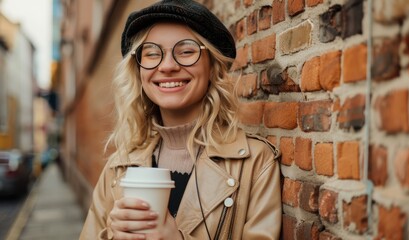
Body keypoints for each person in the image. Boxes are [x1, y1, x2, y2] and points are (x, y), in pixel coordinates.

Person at [80, 0, 282, 239]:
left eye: (186, 51)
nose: (167, 66)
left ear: (212, 67)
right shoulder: (118, 168)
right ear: (139, 72)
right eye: (152, 54)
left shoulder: (255, 163)